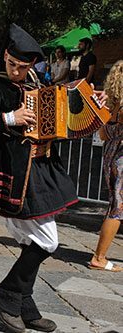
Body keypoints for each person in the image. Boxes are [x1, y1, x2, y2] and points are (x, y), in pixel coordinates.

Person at [0, 24, 87, 333]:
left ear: (32, 65)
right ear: (5, 55)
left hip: (42, 168)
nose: (16, 71)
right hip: (18, 174)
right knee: (48, 241)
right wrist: (8, 118)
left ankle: (24, 304)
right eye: (12, 63)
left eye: (23, 66)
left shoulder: (33, 80)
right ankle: (7, 294)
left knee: (34, 240)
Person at [89, 60, 122, 272]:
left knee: (115, 204)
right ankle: (99, 257)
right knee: (118, 207)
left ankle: (100, 256)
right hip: (121, 159)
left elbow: (102, 134)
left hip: (111, 155)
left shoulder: (110, 103)